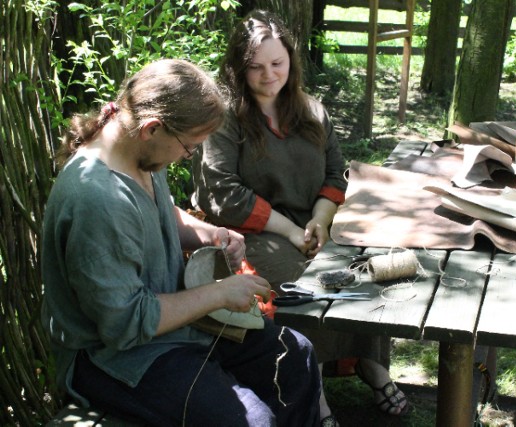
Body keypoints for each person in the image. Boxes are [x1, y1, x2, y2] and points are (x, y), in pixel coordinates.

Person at [41, 58, 323, 427]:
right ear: (153, 128)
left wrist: (209, 233)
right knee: (252, 423)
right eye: (189, 147)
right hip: (115, 359)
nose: (186, 157)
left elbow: (162, 214)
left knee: (295, 358)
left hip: (173, 329)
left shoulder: (135, 154)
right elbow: (127, 323)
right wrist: (221, 294)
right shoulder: (97, 199)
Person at [191, 10, 409, 422]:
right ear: (239, 68)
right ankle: (315, 393)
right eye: (255, 67)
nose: (268, 74)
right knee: (306, 285)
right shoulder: (225, 120)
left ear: (291, 60)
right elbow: (222, 194)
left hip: (314, 225)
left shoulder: (311, 110)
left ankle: (369, 361)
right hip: (248, 233)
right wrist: (292, 230)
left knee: (363, 268)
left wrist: (321, 221)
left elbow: (336, 172)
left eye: (277, 63)